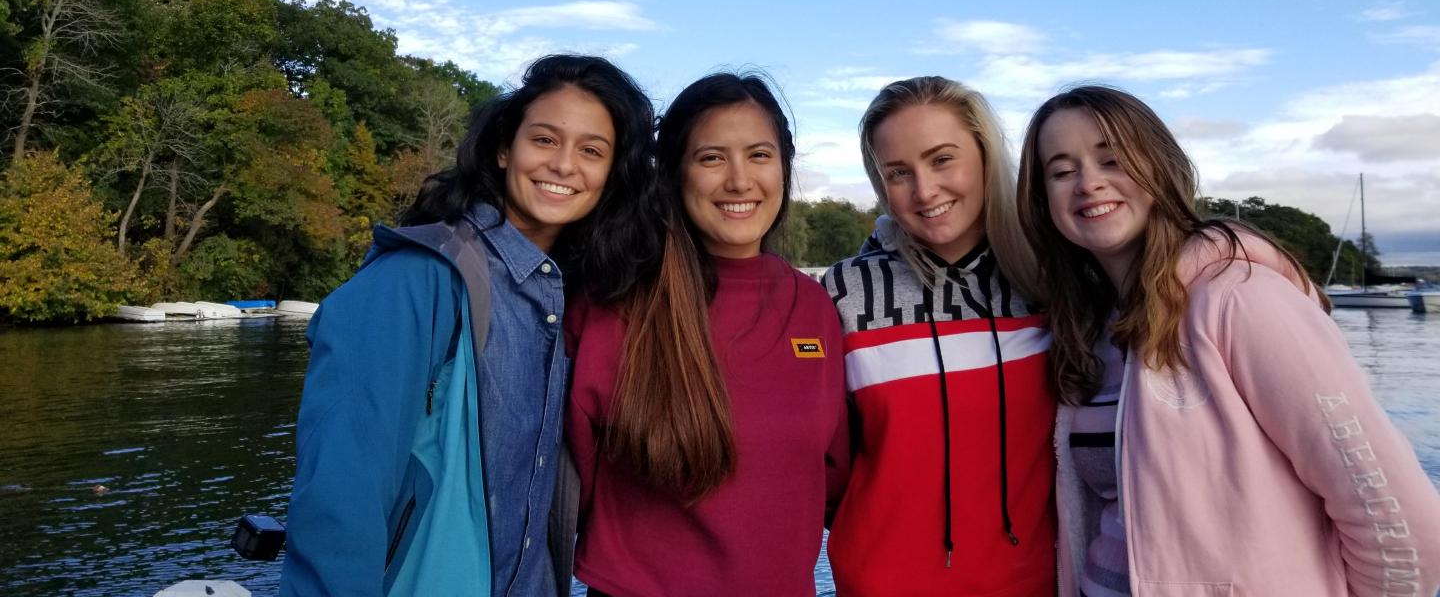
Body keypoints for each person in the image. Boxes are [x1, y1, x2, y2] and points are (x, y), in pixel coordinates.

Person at [1016, 84, 1440, 597]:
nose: (1089, 183)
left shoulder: (1241, 301)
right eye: (1062, 171)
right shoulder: (1090, 329)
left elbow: (1397, 518)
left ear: (1160, 168)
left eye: (1112, 160)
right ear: (1043, 200)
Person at [280, 54, 662, 597]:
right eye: (545, 140)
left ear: (611, 174)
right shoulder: (416, 279)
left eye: (592, 151)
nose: (564, 165)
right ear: (505, 148)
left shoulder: (576, 296)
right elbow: (341, 493)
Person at [565, 73, 849, 596]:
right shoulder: (618, 300)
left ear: (784, 167)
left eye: (759, 155)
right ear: (675, 174)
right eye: (712, 157)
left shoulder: (814, 309)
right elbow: (564, 474)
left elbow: (831, 475)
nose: (740, 181)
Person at [821, 76, 1056, 596]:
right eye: (898, 173)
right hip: (880, 584)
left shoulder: (1053, 281)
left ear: (985, 155)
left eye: (942, 159)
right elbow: (822, 462)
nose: (924, 191)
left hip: (1037, 582)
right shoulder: (843, 293)